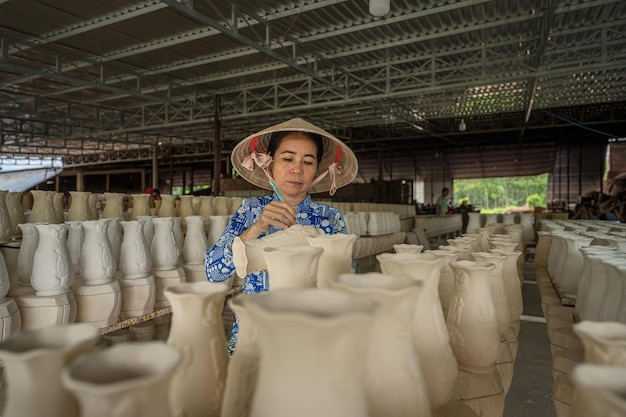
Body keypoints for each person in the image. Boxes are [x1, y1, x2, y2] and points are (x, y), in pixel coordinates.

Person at [205, 117, 359, 353]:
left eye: (308, 162)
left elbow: (347, 282)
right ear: (269, 163)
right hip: (253, 334)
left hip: (312, 335)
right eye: (287, 159)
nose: (297, 169)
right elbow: (213, 271)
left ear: (318, 170)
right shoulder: (251, 209)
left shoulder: (330, 218)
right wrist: (257, 228)